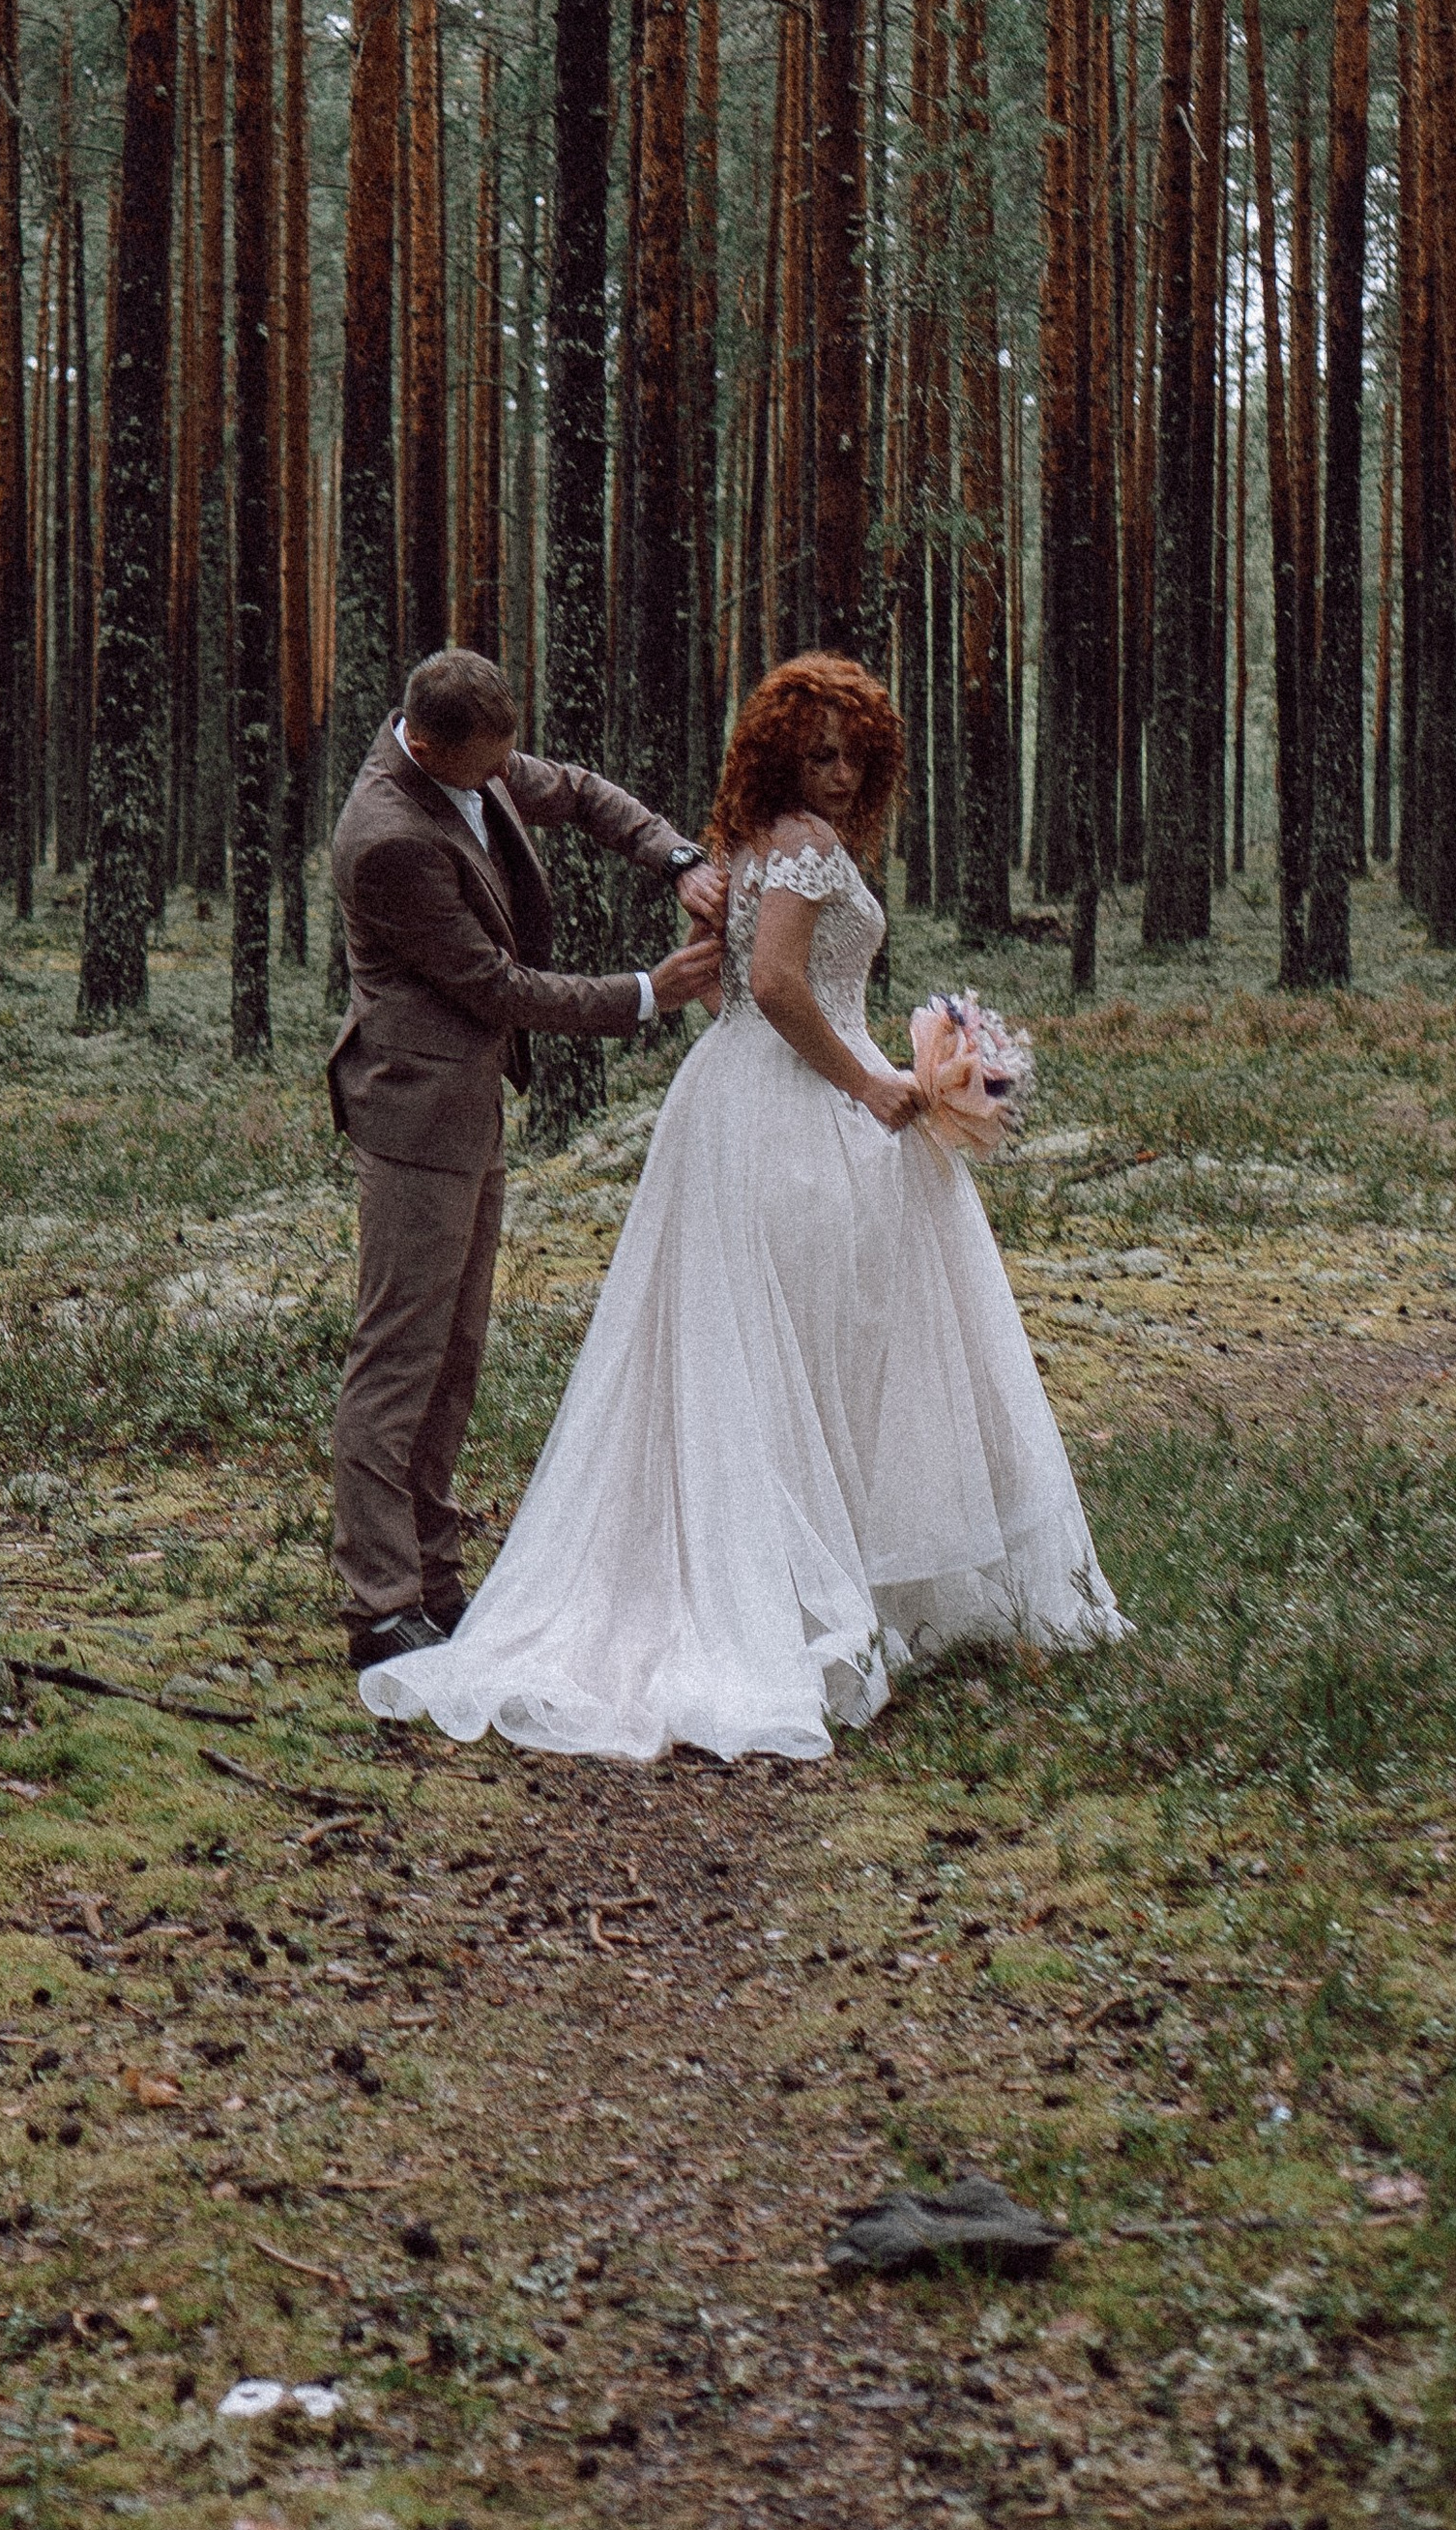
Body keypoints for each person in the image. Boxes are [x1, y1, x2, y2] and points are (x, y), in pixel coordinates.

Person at [360, 650, 1125, 1761]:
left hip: (735, 1100)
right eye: (820, 754)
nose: (843, 778)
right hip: (794, 1106)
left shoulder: (744, 845)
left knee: (769, 1347)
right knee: (812, 1340)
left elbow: (630, 863)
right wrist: (867, 1078)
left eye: (859, 758)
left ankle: (799, 1569)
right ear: (778, 754)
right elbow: (768, 985)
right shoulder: (799, 850)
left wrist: (917, 1049)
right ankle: (788, 1590)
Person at [325, 648, 726, 1672]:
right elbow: (496, 986)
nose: (503, 777)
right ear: (425, 744)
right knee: (397, 1357)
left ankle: (434, 1574)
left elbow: (580, 793)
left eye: (507, 756)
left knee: (453, 1357)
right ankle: (379, 1606)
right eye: (482, 766)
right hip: (414, 1119)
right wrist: (651, 991)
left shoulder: (472, 757)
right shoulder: (387, 843)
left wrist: (675, 856)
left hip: (471, 1111)